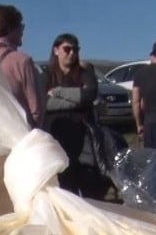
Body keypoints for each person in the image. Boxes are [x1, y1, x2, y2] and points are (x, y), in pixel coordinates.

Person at [41, 33, 109, 198]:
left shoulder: (85, 71)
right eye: (67, 49)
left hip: (83, 131)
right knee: (63, 179)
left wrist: (58, 92)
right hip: (57, 132)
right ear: (56, 50)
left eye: (75, 49)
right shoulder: (47, 74)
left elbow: (90, 95)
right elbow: (45, 103)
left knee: (88, 176)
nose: (72, 53)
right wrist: (78, 99)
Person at [0, 3, 44, 129]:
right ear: (11, 29)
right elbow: (36, 110)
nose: (23, 31)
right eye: (21, 26)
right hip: (18, 135)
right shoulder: (22, 61)